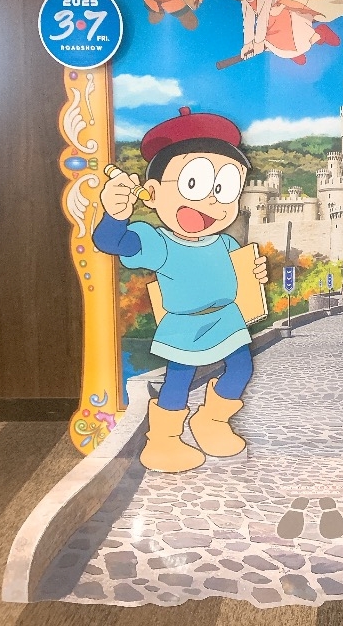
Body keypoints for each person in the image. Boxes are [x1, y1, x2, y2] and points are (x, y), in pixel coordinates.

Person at [93, 107, 268, 473]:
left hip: (227, 320)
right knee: (179, 380)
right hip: (185, 325)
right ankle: (164, 439)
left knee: (240, 369)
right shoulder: (159, 243)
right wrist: (115, 214)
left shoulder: (225, 243)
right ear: (153, 194)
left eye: (224, 189)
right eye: (194, 184)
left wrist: (255, 273)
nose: (212, 202)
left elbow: (239, 272)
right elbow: (111, 242)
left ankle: (212, 421)